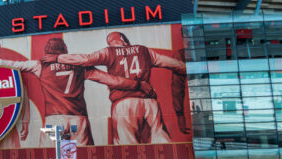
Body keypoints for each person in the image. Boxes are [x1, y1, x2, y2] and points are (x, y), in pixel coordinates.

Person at [0, 38, 154, 146]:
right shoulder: (80, 67)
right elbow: (111, 80)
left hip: (52, 120)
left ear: (47, 51)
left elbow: (15, 65)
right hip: (78, 120)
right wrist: (138, 85)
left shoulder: (40, 65)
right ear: (64, 50)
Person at [42, 31, 186, 145]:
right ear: (124, 40)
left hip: (123, 102)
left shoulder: (109, 52)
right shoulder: (144, 51)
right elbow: (176, 65)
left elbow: (86, 59)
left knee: (126, 143)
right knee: (160, 136)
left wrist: (58, 58)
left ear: (111, 43)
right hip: (149, 101)